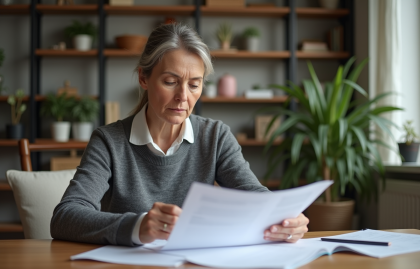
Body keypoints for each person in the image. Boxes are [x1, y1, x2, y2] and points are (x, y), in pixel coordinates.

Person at [51, 23, 309, 246]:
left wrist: (286, 217)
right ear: (143, 78)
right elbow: (65, 217)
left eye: (194, 85)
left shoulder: (216, 136)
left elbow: (253, 194)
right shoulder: (108, 141)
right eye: (170, 82)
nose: (183, 97)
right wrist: (138, 226)